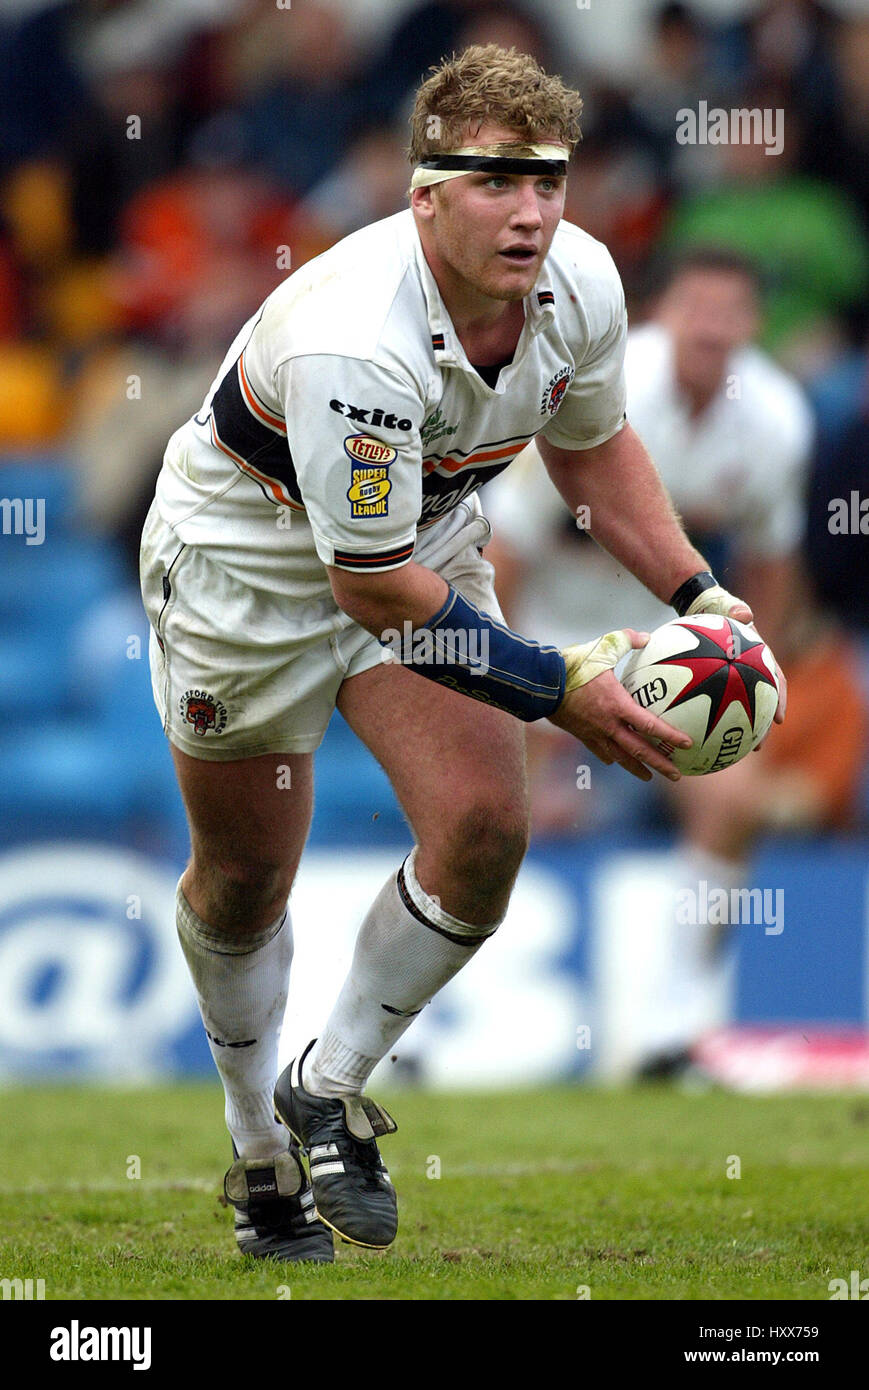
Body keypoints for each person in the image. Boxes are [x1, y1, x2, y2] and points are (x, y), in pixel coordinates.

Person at [139, 44, 782, 1262]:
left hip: (415, 546)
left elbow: (590, 450)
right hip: (249, 576)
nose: (530, 210)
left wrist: (702, 591)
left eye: (545, 179)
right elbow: (369, 591)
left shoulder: (580, 280)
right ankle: (257, 1155)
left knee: (485, 827)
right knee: (241, 881)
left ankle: (323, 1091)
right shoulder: (352, 340)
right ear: (421, 193)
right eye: (492, 180)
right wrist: (558, 691)